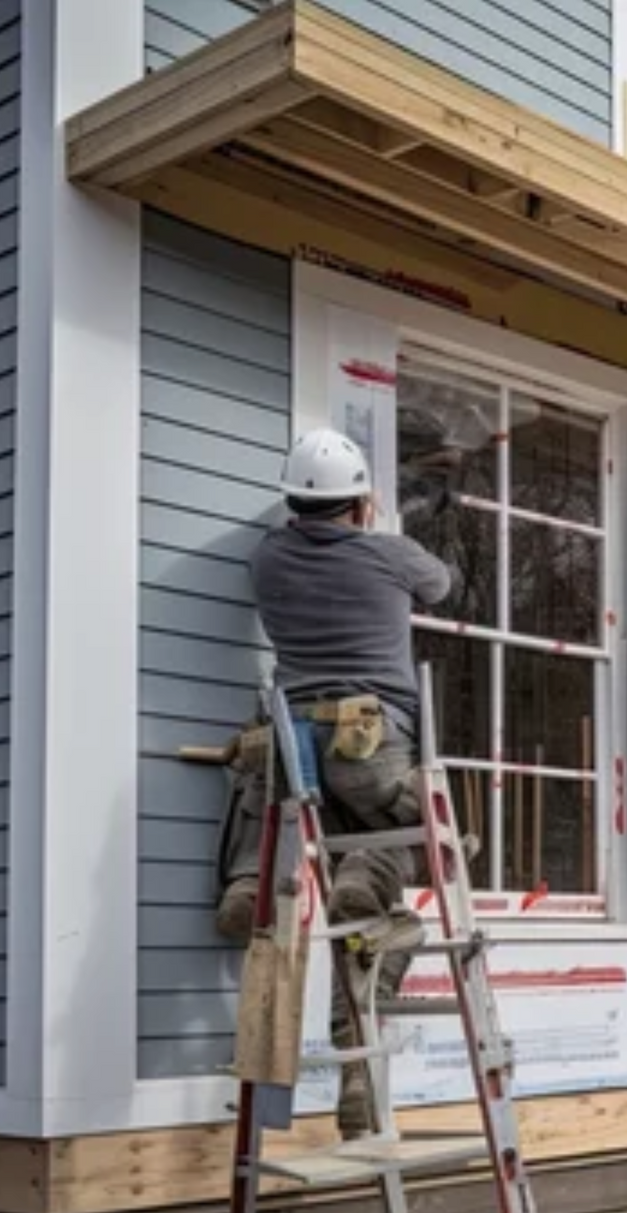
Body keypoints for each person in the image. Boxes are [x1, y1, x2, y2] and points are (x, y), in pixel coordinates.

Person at [213, 426, 453, 1139]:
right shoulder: (387, 552)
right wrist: (385, 529)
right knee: (391, 857)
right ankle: (366, 879)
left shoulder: (270, 558)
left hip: (294, 740)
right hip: (370, 735)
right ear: (358, 504)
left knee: (285, 821)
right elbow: (441, 584)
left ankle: (246, 885)